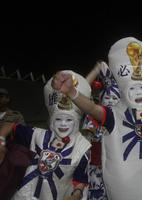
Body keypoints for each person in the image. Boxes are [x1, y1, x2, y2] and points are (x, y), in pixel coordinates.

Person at [52, 37, 142, 200]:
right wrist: (72, 92)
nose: (138, 92)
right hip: (125, 187)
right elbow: (92, 108)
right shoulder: (114, 114)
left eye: (140, 87)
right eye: (133, 88)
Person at [0, 71, 92, 200]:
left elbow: (80, 178)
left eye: (69, 120)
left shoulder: (82, 147)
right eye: (58, 119)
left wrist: (76, 194)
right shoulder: (37, 135)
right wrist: (1, 139)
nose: (63, 124)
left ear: (77, 122)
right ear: (52, 120)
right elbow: (11, 126)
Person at [82, 61, 120, 200]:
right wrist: (96, 70)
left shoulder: (124, 118)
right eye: (108, 98)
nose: (111, 102)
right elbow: (80, 91)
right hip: (96, 170)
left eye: (115, 99)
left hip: (118, 169)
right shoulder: (92, 116)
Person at [0, 88, 29, 200]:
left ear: (7, 99)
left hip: (7, 155)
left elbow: (23, 135)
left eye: (1, 96)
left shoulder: (15, 116)